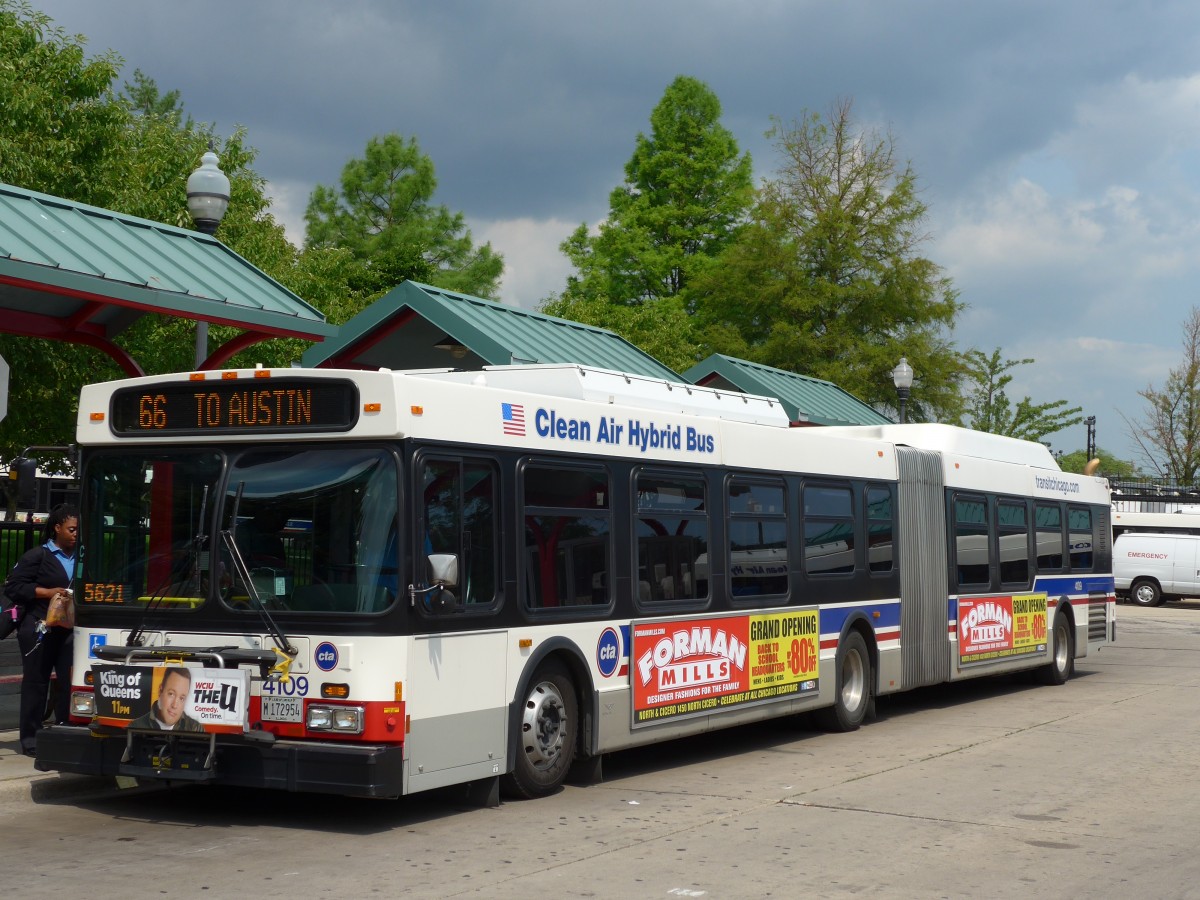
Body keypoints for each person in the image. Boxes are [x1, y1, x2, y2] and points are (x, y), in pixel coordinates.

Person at [8, 504, 78, 756]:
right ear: (57, 528)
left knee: (70, 680)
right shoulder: (38, 556)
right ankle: (31, 738)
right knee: (36, 682)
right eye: (71, 529)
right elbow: (14, 587)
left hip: (69, 629)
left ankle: (66, 729)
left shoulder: (81, 556)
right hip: (39, 628)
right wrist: (47, 592)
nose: (75, 534)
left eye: (78, 530)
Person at [129, 666, 205, 732]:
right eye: (171, 694)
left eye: (182, 698)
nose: (175, 705)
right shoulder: (136, 726)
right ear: (160, 691)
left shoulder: (195, 728)